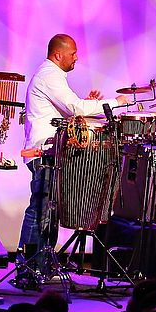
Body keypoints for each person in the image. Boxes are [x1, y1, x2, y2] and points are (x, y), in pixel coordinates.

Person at [18, 34, 129, 252]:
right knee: (40, 210)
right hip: (44, 153)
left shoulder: (52, 75)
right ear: (58, 55)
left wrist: (86, 105)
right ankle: (29, 264)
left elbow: (68, 111)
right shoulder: (49, 75)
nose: (76, 58)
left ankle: (42, 262)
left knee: (49, 211)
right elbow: (75, 108)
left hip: (50, 152)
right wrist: (115, 103)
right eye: (73, 54)